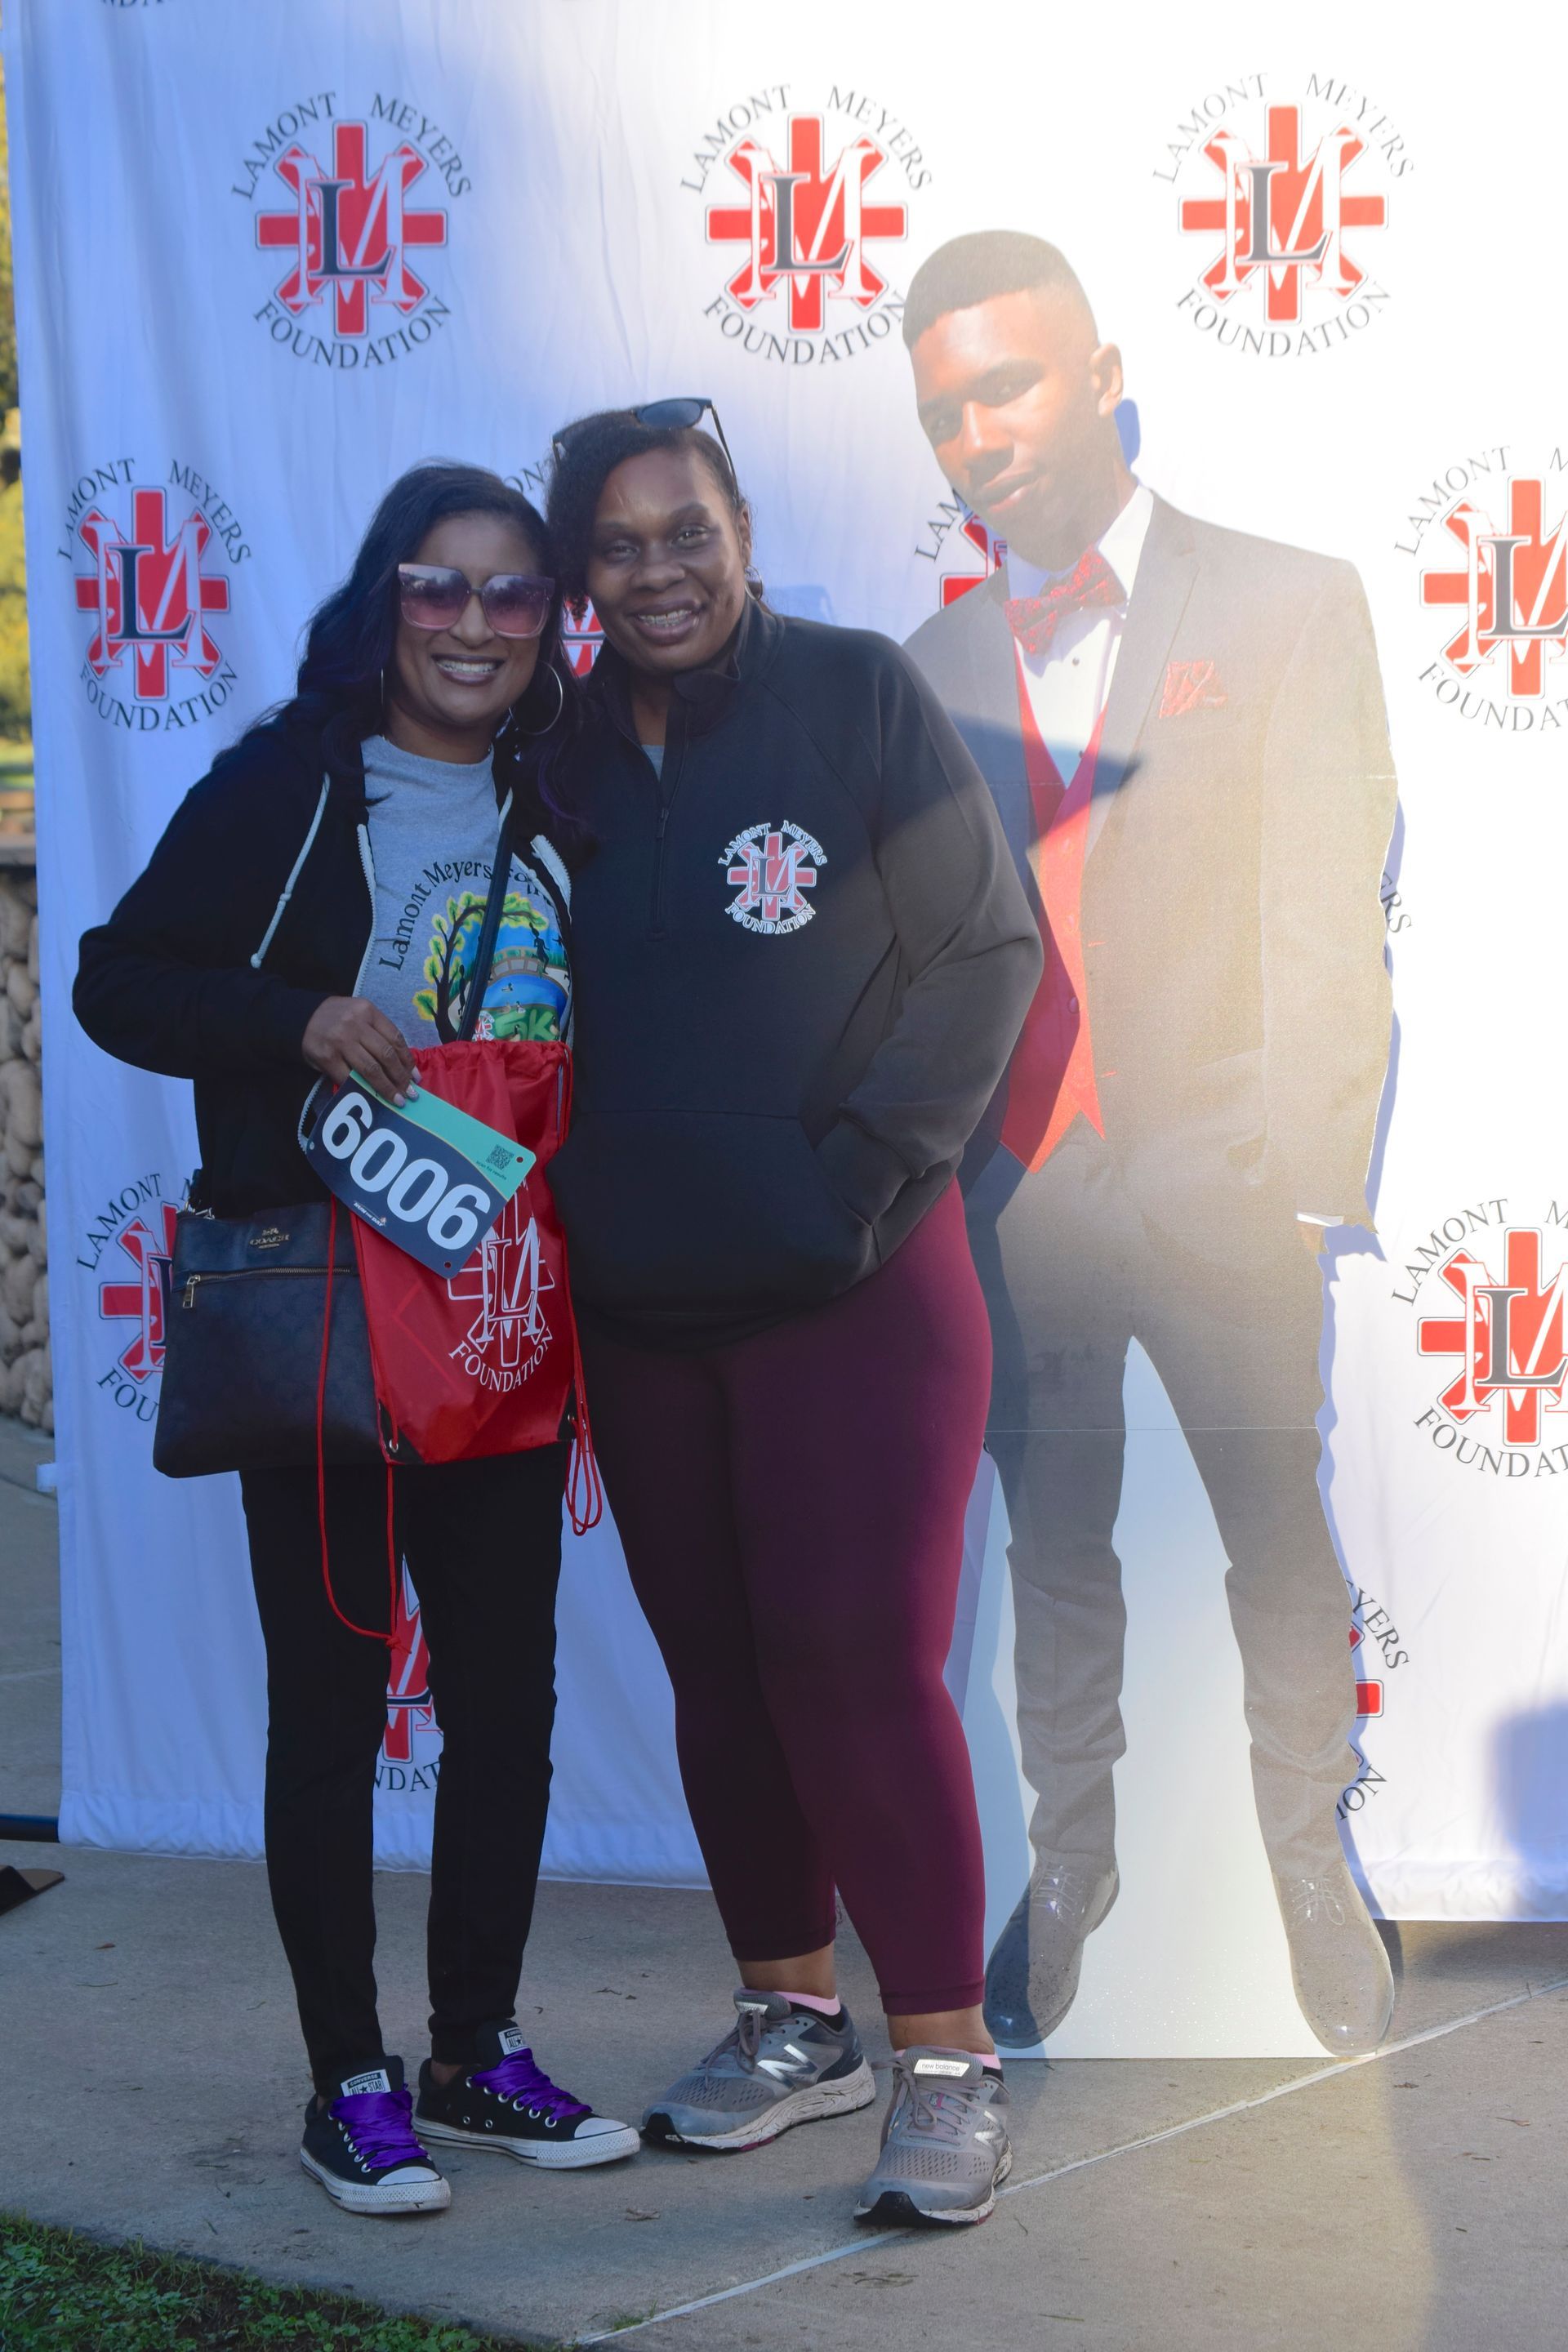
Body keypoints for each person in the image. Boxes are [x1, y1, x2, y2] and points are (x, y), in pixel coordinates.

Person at [74, 464, 639, 2216]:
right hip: (326, 1321)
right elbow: (113, 979)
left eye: (512, 593)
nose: (473, 624)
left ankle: (475, 2054)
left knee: (508, 1707)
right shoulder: (286, 785)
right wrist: (296, 1018)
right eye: (437, 587)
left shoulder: (571, 797)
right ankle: (349, 2083)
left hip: (505, 1321)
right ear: (385, 601)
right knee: (329, 1712)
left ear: (551, 623)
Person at [542, 400, 1041, 2228]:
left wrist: (852, 1186)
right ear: (577, 575)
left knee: (855, 1663)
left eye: (687, 530)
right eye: (616, 544)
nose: (658, 571)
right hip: (643, 1306)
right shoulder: (550, 753)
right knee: (723, 1674)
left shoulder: (855, 693)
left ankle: (947, 2063)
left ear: (742, 531)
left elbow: (985, 950)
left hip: (858, 1285)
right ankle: (790, 2020)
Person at [898, 231, 1398, 2054]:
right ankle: (1073, 1873)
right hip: (1021, 1202)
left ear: (1104, 376)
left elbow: (1327, 907)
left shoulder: (1286, 601)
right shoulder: (925, 666)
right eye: (946, 412)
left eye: (1009, 385)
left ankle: (1307, 1866)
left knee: (1276, 1537)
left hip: (1222, 1191)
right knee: (1058, 1561)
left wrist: (1302, 1177)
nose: (980, 434)